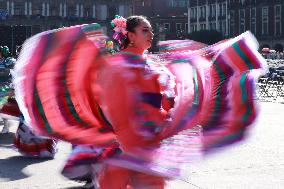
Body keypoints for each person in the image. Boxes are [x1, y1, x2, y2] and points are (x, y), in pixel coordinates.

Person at [13, 15, 267, 189]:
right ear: (130, 36)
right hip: (126, 148)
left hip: (148, 147)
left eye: (151, 30)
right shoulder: (118, 66)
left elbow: (169, 98)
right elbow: (116, 107)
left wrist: (172, 116)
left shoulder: (153, 64)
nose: (151, 33)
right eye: (145, 30)